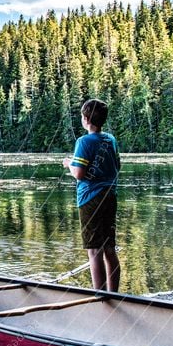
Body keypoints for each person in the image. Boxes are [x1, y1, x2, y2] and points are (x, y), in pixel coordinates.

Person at [62, 99, 121, 291]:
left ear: (86, 119)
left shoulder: (83, 141)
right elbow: (117, 166)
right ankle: (114, 294)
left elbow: (79, 173)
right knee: (109, 248)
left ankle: (100, 296)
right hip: (110, 196)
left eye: (81, 116)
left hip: (89, 199)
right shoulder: (110, 139)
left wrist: (69, 164)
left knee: (94, 251)